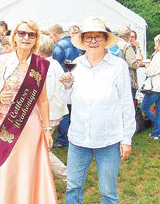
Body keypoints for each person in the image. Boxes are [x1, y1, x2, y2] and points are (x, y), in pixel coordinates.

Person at [60, 17, 136, 203]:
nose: (93, 41)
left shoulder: (118, 66)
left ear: (105, 39)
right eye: (88, 37)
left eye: (97, 37)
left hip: (108, 139)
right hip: (78, 139)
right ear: (83, 41)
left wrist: (126, 139)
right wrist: (67, 87)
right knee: (73, 188)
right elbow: (67, 100)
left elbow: (127, 103)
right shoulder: (75, 64)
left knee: (108, 192)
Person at [0, 20, 57, 204]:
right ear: (14, 36)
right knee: (4, 166)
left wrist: (47, 129)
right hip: (4, 124)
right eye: (22, 33)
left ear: (36, 39)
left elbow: (43, 100)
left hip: (31, 126)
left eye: (31, 34)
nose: (26, 37)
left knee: (28, 167)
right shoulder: (1, 61)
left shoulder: (40, 65)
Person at [38, 34, 68, 181]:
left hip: (49, 114)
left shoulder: (44, 66)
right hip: (56, 111)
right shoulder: (55, 63)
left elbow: (45, 95)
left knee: (41, 150)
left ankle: (67, 176)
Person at [48, 24, 79, 148]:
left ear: (55, 34)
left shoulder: (59, 46)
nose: (51, 39)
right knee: (70, 109)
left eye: (51, 36)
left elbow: (54, 63)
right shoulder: (73, 42)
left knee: (63, 109)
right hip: (73, 77)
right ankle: (68, 135)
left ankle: (62, 139)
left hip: (62, 79)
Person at [117, 26, 142, 100]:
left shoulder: (114, 45)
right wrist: (138, 64)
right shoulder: (126, 46)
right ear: (127, 36)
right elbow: (132, 63)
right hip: (128, 78)